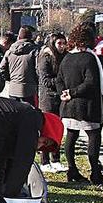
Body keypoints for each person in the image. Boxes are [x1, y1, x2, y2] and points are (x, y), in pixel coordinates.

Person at [58, 22, 103, 186]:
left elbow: (59, 79)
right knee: (94, 137)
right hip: (87, 105)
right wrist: (73, 92)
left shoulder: (67, 57)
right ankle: (95, 172)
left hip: (68, 105)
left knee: (71, 137)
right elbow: (91, 82)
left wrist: (65, 93)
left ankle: (72, 169)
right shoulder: (89, 57)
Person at [36, 32, 67, 172]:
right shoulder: (46, 57)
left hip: (60, 97)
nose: (62, 46)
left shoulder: (65, 57)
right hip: (48, 98)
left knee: (57, 130)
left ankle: (56, 158)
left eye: (63, 43)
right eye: (59, 43)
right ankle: (44, 160)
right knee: (47, 130)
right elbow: (45, 80)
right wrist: (60, 81)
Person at [1, 26, 39, 105]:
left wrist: (10, 78)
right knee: (30, 115)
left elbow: (2, 68)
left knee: (15, 115)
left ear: (19, 36)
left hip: (13, 89)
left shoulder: (10, 51)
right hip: (30, 90)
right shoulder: (35, 51)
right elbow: (38, 69)